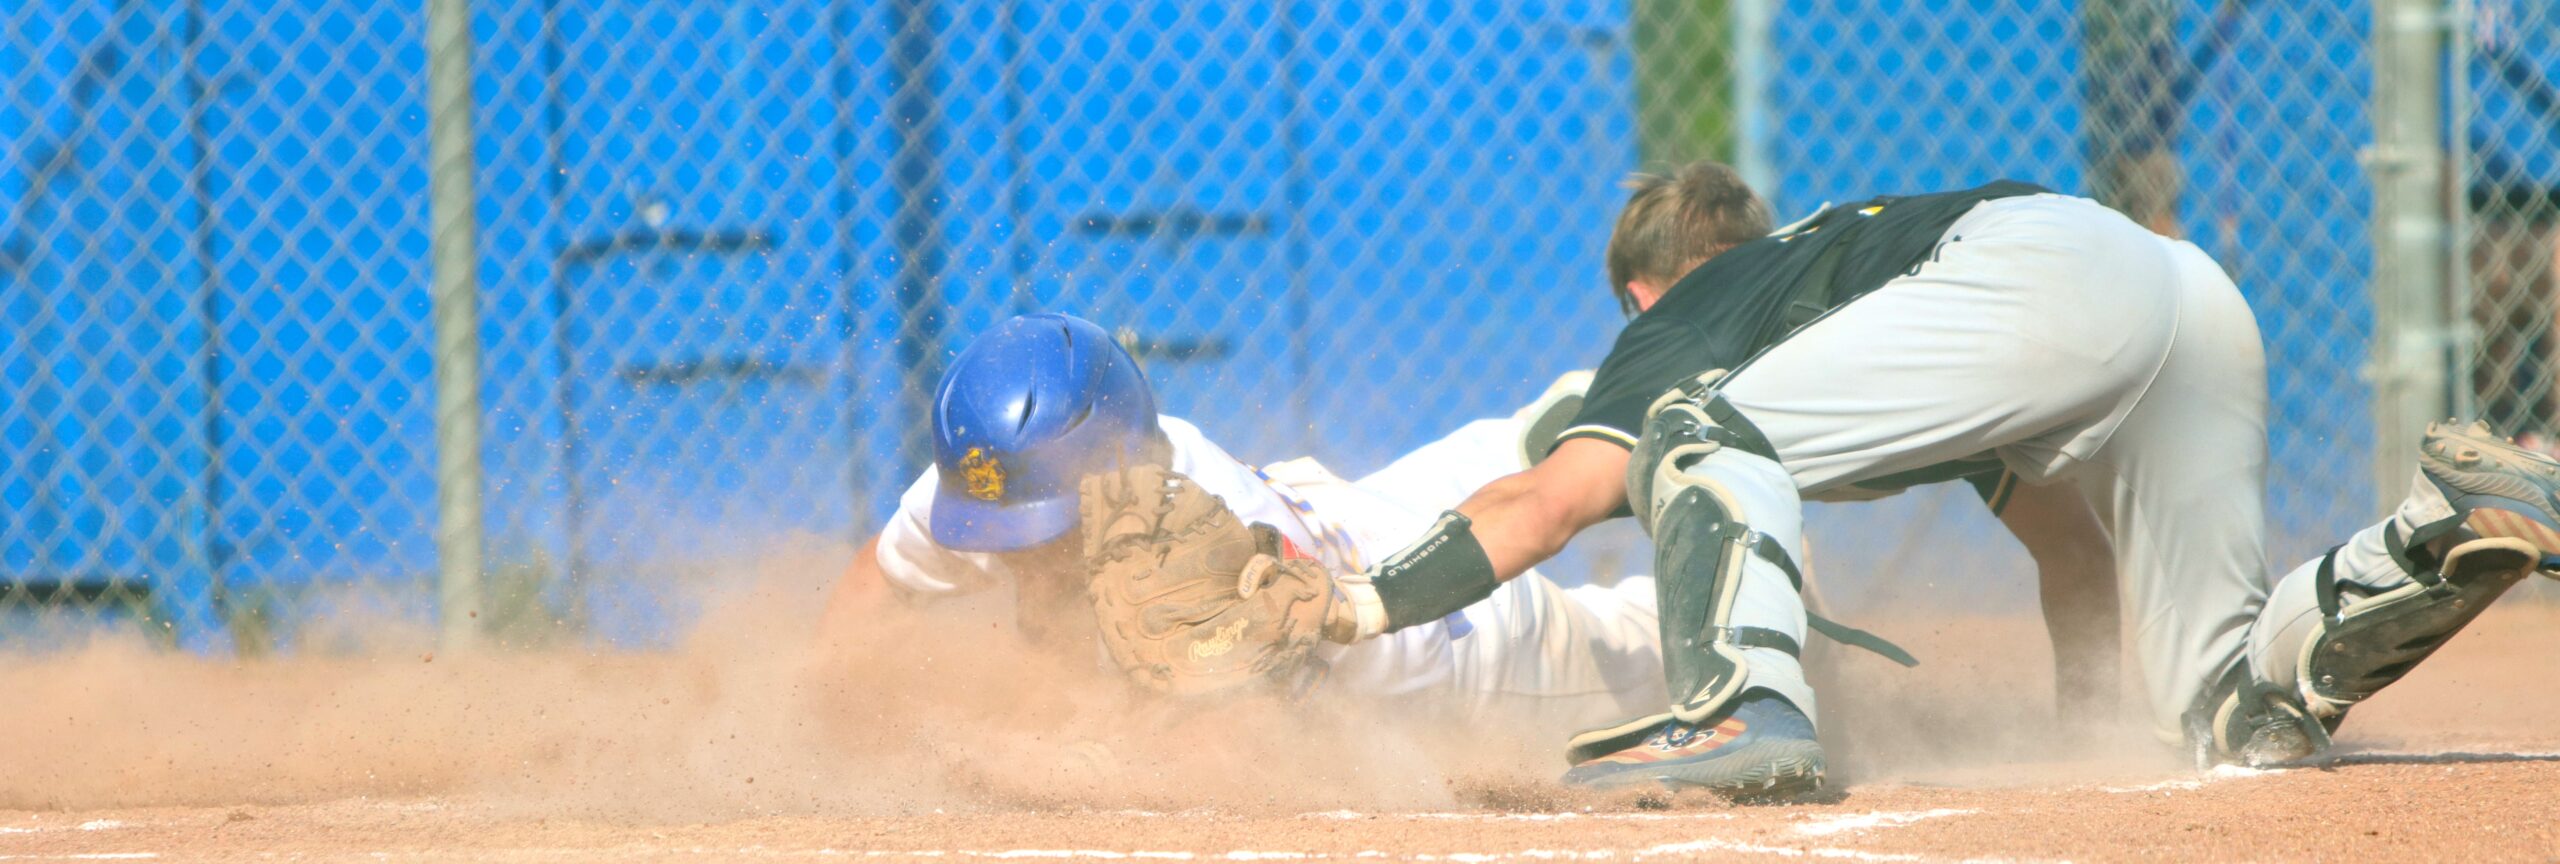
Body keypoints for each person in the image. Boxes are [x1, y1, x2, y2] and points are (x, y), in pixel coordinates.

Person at [1301, 161, 2560, 796]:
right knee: (2233, 718)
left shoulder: (1675, 327)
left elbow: (1543, 504)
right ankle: (2428, 532)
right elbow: (2075, 554)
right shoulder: (1844, 304)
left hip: (2041, 270)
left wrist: (1352, 606)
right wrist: (2084, 728)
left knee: (1690, 426)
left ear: (1641, 291)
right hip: (2178, 293)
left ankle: (1740, 712)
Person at [819, 312, 1666, 733]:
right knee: (1433, 492)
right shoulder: (999, 467)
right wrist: (824, 703)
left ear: (1119, 475)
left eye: (1038, 533)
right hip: (1343, 514)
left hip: (1451, 648)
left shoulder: (1211, 546)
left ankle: (1732, 563)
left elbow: (1227, 756)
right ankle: (1527, 437)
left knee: (1644, 649)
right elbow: (877, 584)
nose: (1015, 555)